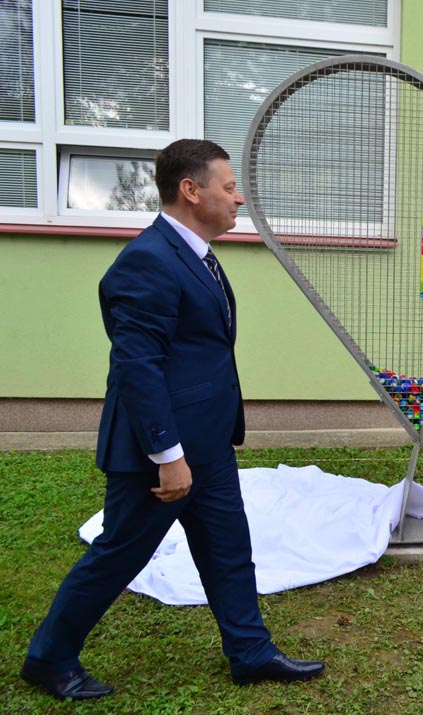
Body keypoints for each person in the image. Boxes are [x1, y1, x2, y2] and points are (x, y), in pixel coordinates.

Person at [21, 139, 325, 700]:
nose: (239, 199)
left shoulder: (195, 254)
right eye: (229, 187)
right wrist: (168, 456)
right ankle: (48, 658)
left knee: (228, 549)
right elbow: (138, 367)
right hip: (160, 453)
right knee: (120, 554)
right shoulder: (148, 260)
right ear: (191, 190)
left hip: (208, 445)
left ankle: (250, 652)